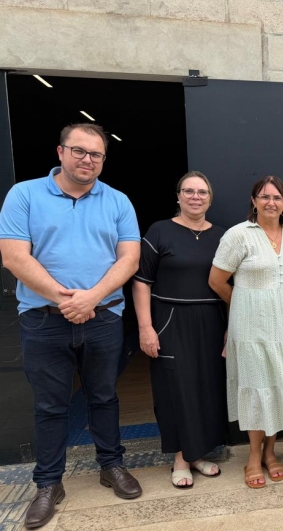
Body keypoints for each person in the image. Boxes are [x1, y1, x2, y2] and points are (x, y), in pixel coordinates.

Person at [0, 123, 142, 529]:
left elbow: (128, 259)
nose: (87, 160)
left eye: (96, 154)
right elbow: (13, 257)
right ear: (60, 152)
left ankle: (111, 466)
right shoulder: (24, 194)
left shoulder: (117, 201)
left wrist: (92, 298)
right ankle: (47, 485)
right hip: (44, 321)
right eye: (79, 151)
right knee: (50, 405)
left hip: (102, 318)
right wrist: (69, 299)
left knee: (103, 397)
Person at [208, 175, 283, 489]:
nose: (271, 202)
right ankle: (253, 456)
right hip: (252, 328)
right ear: (254, 201)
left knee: (280, 385)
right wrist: (243, 305)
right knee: (258, 387)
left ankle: (271, 451)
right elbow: (217, 281)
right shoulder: (238, 235)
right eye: (264, 196)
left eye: (277, 197)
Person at [131, 171, 227, 489]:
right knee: (176, 389)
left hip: (211, 320)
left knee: (206, 387)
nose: (195, 197)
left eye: (202, 192)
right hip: (171, 320)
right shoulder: (160, 231)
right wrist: (146, 328)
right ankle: (181, 458)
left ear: (210, 198)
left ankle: (198, 454)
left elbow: (229, 285)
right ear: (178, 196)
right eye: (189, 191)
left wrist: (230, 328)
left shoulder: (222, 236)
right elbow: (142, 282)